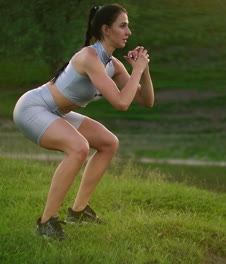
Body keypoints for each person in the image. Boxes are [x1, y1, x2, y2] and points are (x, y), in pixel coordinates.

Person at [13, 4, 154, 240]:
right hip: (33, 108)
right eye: (123, 25)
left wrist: (144, 70)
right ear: (106, 29)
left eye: (128, 26)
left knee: (109, 143)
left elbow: (145, 100)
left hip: (57, 112)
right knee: (78, 148)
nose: (128, 31)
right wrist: (137, 71)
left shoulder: (113, 65)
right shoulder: (89, 57)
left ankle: (78, 212)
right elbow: (121, 103)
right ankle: (46, 222)